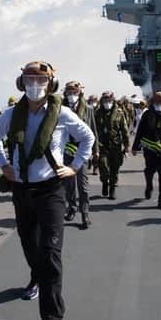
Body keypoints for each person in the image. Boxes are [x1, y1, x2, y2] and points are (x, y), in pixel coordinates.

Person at [0, 61, 94, 320]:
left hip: (51, 192)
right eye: (30, 78)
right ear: (21, 82)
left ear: (51, 83)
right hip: (22, 191)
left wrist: (75, 166)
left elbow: (87, 137)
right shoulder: (11, 114)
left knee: (50, 255)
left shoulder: (63, 114)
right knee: (29, 245)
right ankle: (35, 277)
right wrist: (3, 165)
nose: (35, 83)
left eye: (41, 78)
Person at [62, 81, 99, 229]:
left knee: (82, 186)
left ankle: (85, 213)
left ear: (80, 92)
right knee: (69, 185)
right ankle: (72, 208)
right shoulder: (60, 108)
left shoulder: (88, 109)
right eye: (69, 91)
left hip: (81, 151)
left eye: (74, 91)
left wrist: (96, 150)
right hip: (65, 151)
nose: (72, 94)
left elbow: (93, 129)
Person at [95, 91, 130, 200]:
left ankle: (112, 189)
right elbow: (92, 129)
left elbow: (124, 130)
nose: (107, 102)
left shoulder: (119, 113)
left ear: (112, 100)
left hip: (115, 145)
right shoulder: (97, 113)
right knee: (103, 165)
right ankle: (105, 182)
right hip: (102, 145)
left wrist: (126, 145)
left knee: (115, 168)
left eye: (109, 100)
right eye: (105, 100)